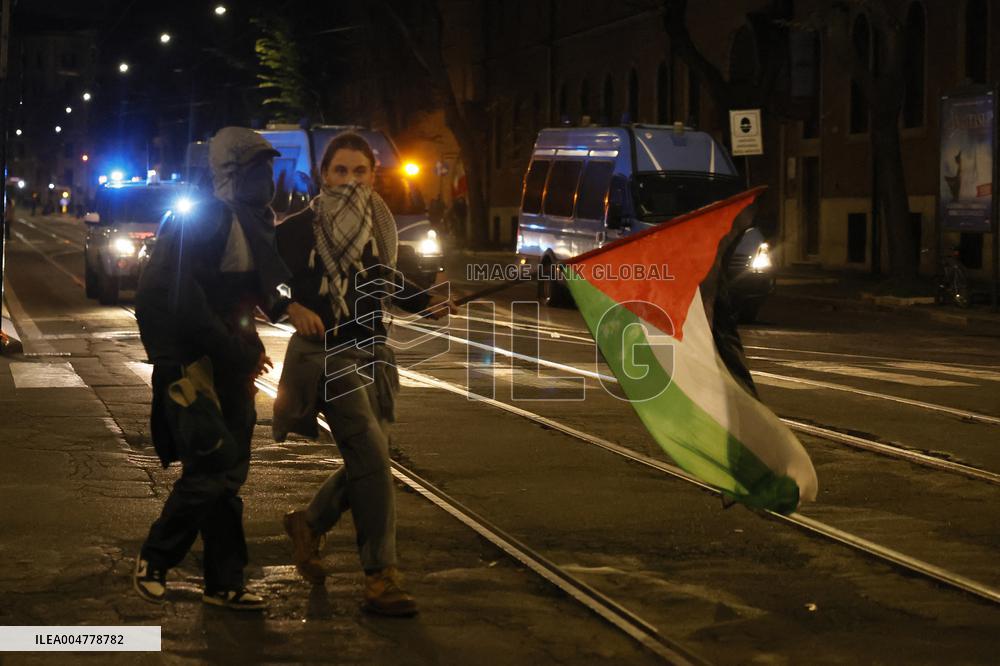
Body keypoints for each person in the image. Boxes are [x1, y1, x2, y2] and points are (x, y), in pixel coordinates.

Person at [273, 132, 454, 617]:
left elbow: (383, 280)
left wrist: (426, 303)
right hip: (323, 356)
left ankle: (310, 523)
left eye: (360, 172)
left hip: (374, 353)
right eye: (340, 172)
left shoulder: (380, 224)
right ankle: (381, 576)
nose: (350, 181)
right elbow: (264, 278)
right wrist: (289, 305)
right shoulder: (296, 229)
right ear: (323, 175)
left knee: (369, 459)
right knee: (373, 454)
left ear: (374, 177)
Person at [131, 127, 292, 611]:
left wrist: (278, 320)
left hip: (232, 365)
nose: (266, 179)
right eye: (255, 170)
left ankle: (224, 583)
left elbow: (265, 296)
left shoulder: (258, 222)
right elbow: (182, 301)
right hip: (191, 366)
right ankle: (156, 558)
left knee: (228, 477)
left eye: (268, 169)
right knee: (212, 465)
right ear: (229, 173)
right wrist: (231, 349)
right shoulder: (202, 220)